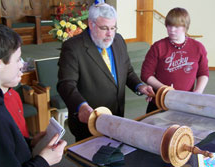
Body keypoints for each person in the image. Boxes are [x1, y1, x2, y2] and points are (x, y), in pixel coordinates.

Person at [57, 2, 155, 142]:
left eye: (113, 28)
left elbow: (127, 71)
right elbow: (66, 85)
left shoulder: (118, 40)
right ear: (91, 24)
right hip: (90, 122)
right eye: (104, 28)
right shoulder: (73, 47)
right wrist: (82, 106)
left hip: (117, 117)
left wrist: (139, 86)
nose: (110, 34)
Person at [0, 22, 67, 167]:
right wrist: (44, 161)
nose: (21, 65)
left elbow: (6, 150)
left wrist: (30, 143)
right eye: (17, 59)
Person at [141, 7, 209, 113]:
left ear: (185, 27)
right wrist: (165, 89)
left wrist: (198, 92)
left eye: (176, 27)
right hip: (160, 102)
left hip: (186, 102)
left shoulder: (198, 47)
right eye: (169, 25)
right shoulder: (158, 46)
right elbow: (146, 74)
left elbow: (203, 73)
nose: (171, 30)